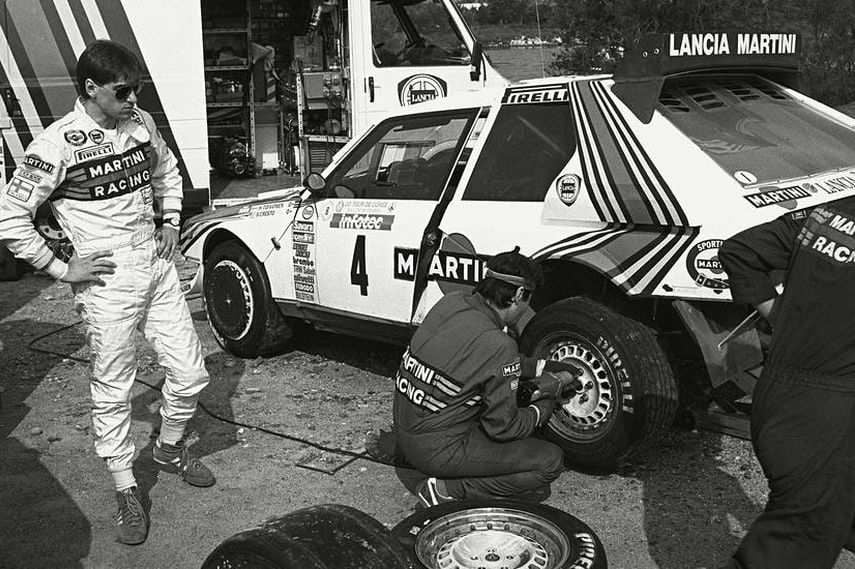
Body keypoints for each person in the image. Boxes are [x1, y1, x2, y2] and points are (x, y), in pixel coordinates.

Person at [0, 39, 214, 546]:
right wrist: (59, 267)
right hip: (106, 278)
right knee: (114, 386)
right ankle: (124, 485)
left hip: (158, 265)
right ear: (91, 88)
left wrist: (170, 219)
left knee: (192, 373)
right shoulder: (55, 144)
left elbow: (167, 171)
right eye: (123, 91)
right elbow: (9, 217)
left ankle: (167, 448)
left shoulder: (140, 124)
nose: (133, 99)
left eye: (137, 89)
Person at [718, 197, 855, 569]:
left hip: (785, 394)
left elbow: (739, 251)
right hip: (822, 414)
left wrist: (782, 320)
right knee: (792, 544)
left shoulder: (830, 213)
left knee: (825, 518)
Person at [393, 248, 582, 506]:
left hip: (407, 434)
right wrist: (546, 400)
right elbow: (504, 428)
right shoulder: (499, 345)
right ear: (517, 295)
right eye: (528, 301)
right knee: (549, 461)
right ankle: (449, 490)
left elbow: (479, 359)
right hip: (437, 450)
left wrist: (542, 367)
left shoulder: (452, 302)